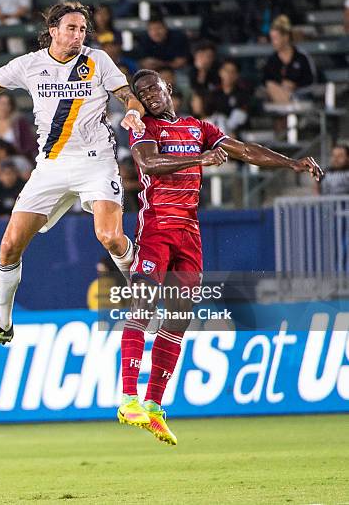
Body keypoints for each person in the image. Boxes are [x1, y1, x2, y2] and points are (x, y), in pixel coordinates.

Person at [0, 1, 146, 358]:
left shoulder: (98, 61)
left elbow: (129, 94)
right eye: (71, 28)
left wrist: (131, 111)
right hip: (50, 166)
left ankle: (146, 298)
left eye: (82, 29)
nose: (78, 35)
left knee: (110, 236)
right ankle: (2, 324)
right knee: (9, 246)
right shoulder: (29, 65)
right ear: (53, 31)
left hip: (95, 163)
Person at [116, 68, 323, 445]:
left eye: (153, 88)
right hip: (157, 226)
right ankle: (128, 398)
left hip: (189, 233)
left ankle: (153, 407)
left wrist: (291, 163)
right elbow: (146, 164)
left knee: (179, 319)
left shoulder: (198, 127)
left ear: (168, 87)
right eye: (141, 93)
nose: (148, 96)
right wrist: (199, 159)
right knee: (142, 307)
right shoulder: (142, 124)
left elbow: (245, 151)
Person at [263, 15, 316, 104]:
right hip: (278, 95)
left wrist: (294, 85)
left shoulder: (301, 56)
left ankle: (289, 105)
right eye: (271, 39)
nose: (273, 42)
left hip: (300, 94)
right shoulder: (272, 60)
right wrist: (281, 83)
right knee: (271, 86)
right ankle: (289, 105)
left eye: (275, 38)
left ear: (286, 37)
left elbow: (310, 80)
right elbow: (266, 80)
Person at [0, 92, 37, 160]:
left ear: (11, 107)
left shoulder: (19, 122)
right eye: (1, 103)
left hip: (15, 159)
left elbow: (30, 144)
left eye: (7, 104)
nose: (3, 107)